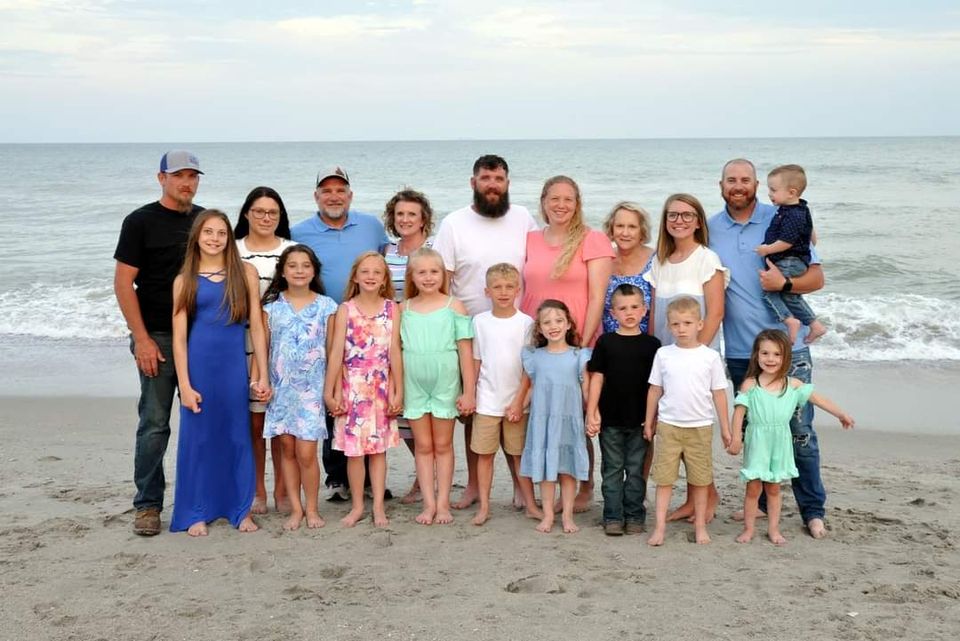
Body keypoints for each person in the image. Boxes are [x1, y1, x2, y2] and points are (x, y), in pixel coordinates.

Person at [708, 158, 829, 539]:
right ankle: (760, 504)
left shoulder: (782, 218)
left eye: (745, 179)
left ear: (758, 184)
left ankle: (813, 510)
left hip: (787, 349)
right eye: (731, 180)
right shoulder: (710, 227)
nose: (738, 185)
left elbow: (816, 277)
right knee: (756, 432)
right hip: (741, 351)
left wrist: (785, 286)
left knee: (800, 433)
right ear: (721, 184)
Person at [433, 154, 537, 510]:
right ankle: (475, 486)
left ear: (508, 183)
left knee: (514, 413)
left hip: (515, 331)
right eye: (486, 178)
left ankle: (521, 488)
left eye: (499, 179)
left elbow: (537, 266)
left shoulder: (523, 218)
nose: (493, 184)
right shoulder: (453, 224)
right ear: (472, 182)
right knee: (474, 414)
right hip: (468, 333)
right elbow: (443, 279)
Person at [113, 150, 203, 536]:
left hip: (202, 337)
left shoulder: (206, 221)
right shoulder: (140, 221)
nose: (187, 182)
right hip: (159, 337)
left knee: (203, 422)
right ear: (161, 178)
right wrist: (142, 339)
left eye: (193, 176)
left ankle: (201, 497)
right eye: (179, 175)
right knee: (154, 423)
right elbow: (123, 283)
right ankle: (148, 505)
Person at [291, 166, 389, 502]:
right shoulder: (299, 231)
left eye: (340, 190)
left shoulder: (372, 225)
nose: (334, 196)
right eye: (326, 191)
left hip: (366, 327)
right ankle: (337, 475)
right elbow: (293, 268)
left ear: (351, 195)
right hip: (321, 324)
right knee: (334, 396)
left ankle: (366, 478)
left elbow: (382, 264)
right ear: (316, 196)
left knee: (367, 400)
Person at [169, 210, 270, 536]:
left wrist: (263, 375)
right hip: (199, 366)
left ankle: (240, 509)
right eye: (208, 232)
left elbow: (257, 326)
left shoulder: (246, 273)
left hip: (232, 366)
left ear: (229, 238)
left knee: (237, 435)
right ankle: (196, 509)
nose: (215, 238)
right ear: (197, 237)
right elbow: (179, 337)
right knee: (199, 439)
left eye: (221, 233)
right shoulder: (184, 280)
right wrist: (184, 384)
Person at [520, 175, 614, 512]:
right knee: (545, 415)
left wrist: (582, 347)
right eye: (554, 198)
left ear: (578, 204)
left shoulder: (593, 239)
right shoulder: (530, 239)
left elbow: (598, 296)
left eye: (568, 199)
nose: (561, 205)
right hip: (539, 344)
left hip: (579, 346)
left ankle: (584, 487)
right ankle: (545, 485)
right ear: (543, 201)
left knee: (575, 418)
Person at [727, 330, 854, 545]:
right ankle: (748, 529)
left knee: (774, 488)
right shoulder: (750, 384)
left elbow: (818, 399)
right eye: (765, 353)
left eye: (777, 354)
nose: (770, 359)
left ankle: (773, 530)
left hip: (780, 441)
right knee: (753, 488)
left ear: (786, 357)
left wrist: (841, 414)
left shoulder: (792, 385)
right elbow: (739, 412)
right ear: (756, 355)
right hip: (758, 441)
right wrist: (736, 438)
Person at [261, 245, 338, 531]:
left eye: (305, 265)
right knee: (287, 450)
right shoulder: (271, 308)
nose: (299, 271)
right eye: (292, 266)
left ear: (314, 270)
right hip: (281, 390)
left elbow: (332, 352)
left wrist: (332, 389)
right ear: (282, 271)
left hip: (312, 390)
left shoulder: (327, 306)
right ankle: (296, 508)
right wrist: (262, 380)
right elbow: (265, 350)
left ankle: (313, 508)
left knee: (307, 452)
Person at [324, 252, 403, 528]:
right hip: (352, 388)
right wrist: (330, 391)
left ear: (384, 280)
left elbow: (395, 352)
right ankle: (358, 506)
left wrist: (398, 390)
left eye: (377, 273)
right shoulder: (346, 309)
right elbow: (336, 354)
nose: (370, 277)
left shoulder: (392, 308)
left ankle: (378, 507)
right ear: (355, 276)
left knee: (379, 451)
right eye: (365, 272)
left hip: (381, 388)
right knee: (354, 453)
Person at [643, 297, 731, 546]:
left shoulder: (709, 357)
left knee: (700, 479)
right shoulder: (664, 354)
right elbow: (654, 390)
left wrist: (725, 427)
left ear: (700, 324)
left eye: (687, 323)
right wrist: (649, 421)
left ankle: (701, 526)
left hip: (700, 426)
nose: (681, 328)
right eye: (676, 324)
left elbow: (719, 393)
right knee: (664, 479)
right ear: (669, 326)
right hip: (669, 426)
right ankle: (659, 527)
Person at [400, 248, 476, 525]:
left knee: (443, 445)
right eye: (422, 272)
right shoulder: (403, 309)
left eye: (434, 272)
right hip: (414, 385)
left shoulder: (454, 306)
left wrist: (469, 391)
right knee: (422, 445)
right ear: (412, 275)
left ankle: (443, 503)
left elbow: (465, 353)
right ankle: (428, 503)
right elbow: (395, 354)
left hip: (446, 384)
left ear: (443, 274)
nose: (428, 277)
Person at [234, 186, 296, 515]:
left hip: (286, 348)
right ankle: (257, 489)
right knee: (254, 424)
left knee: (283, 424)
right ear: (246, 214)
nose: (265, 218)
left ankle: (283, 490)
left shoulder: (293, 250)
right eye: (259, 211)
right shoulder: (233, 250)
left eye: (272, 212)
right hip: (241, 345)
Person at [586, 284, 661, 536]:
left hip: (640, 419)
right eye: (622, 308)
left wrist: (653, 418)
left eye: (635, 307)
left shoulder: (653, 345)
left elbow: (656, 386)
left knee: (637, 470)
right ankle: (613, 516)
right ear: (612, 312)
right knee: (612, 468)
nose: (629, 312)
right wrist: (591, 410)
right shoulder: (606, 342)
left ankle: (635, 516)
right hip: (611, 419)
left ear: (645, 310)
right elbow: (597, 378)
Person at [472, 263, 539, 526]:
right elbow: (476, 361)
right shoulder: (479, 321)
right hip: (486, 401)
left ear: (518, 290)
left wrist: (519, 401)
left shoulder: (526, 323)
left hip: (516, 403)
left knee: (518, 454)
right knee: (485, 455)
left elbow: (528, 368)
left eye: (509, 286)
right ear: (487, 291)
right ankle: (485, 507)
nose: (503, 292)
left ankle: (531, 504)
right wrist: (470, 394)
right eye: (497, 287)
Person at [520, 299, 591, 534]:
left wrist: (593, 413)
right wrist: (518, 406)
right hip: (543, 421)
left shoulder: (579, 355)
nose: (554, 326)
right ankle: (548, 514)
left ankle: (568, 516)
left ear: (569, 324)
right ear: (539, 328)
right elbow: (531, 387)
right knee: (546, 470)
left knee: (567, 470)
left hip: (569, 420)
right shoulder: (534, 356)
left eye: (559, 320)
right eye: (547, 322)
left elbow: (587, 389)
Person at [382, 188, 435, 504]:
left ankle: (425, 479)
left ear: (423, 219)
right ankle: (422, 471)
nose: (405, 219)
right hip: (390, 338)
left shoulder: (433, 250)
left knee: (424, 410)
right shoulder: (386, 250)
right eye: (400, 214)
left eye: (411, 214)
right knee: (401, 414)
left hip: (422, 336)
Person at [644, 193, 727, 350]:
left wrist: (692, 354)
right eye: (673, 215)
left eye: (687, 215)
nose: (679, 220)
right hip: (666, 355)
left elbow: (716, 314)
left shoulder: (707, 259)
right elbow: (655, 314)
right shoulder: (658, 261)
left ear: (698, 223)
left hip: (698, 357)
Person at [757, 164, 827, 344]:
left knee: (768, 291)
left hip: (789, 260)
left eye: (773, 190)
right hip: (795, 259)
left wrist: (767, 249)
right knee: (790, 295)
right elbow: (813, 238)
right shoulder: (799, 210)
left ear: (792, 192)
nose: (769, 194)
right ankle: (814, 324)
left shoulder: (793, 214)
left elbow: (787, 241)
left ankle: (789, 320)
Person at [601, 202, 655, 334]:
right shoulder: (603, 259)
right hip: (607, 343)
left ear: (642, 231)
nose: (625, 233)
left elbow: (657, 310)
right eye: (620, 226)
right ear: (611, 230)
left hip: (644, 343)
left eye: (632, 227)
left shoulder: (655, 260)